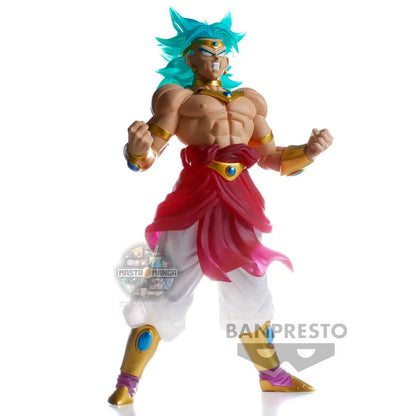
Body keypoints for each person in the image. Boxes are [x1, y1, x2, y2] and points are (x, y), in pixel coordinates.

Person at [108, 8, 333, 405]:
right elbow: (149, 155)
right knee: (165, 287)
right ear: (189, 58)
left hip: (239, 201)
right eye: (206, 50)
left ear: (229, 59)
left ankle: (272, 376)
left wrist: (309, 152)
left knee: (252, 289)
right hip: (195, 198)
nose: (215, 56)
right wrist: (136, 150)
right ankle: (127, 383)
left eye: (221, 51)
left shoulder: (250, 102)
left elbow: (272, 158)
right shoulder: (177, 98)